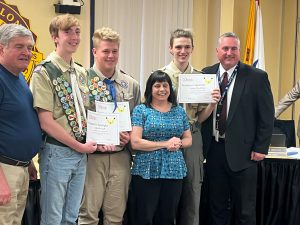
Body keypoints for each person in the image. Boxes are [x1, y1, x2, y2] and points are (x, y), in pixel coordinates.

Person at [29, 14, 97, 225]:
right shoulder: (44, 72)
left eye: (77, 32)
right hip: (57, 152)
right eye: (67, 32)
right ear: (55, 37)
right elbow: (46, 121)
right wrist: (79, 145)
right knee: (53, 217)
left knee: (71, 216)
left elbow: (88, 112)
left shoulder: (81, 72)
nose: (74, 37)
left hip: (80, 153)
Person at [201, 32, 274, 225]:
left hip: (244, 153)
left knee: (245, 210)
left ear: (239, 51)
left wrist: (261, 148)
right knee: (216, 207)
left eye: (234, 48)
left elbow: (266, 115)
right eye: (225, 48)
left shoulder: (256, 76)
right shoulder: (206, 74)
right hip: (214, 150)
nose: (229, 53)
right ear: (217, 51)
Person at [78, 27, 141, 225]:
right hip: (91, 158)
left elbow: (138, 119)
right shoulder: (81, 81)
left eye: (114, 51)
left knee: (115, 217)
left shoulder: (130, 84)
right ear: (95, 52)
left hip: (120, 156)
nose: (111, 55)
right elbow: (75, 119)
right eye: (106, 51)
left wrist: (129, 136)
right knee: (88, 216)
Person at [161, 28, 219, 225]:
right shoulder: (160, 77)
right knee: (168, 191)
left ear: (193, 48)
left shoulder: (201, 78)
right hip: (168, 138)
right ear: (170, 49)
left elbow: (201, 117)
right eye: (178, 47)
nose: (182, 51)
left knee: (192, 190)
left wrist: (212, 104)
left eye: (187, 47)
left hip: (193, 136)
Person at [129, 70, 192, 225]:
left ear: (170, 88)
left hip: (174, 170)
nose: (162, 89)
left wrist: (178, 143)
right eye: (157, 85)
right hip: (146, 169)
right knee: (144, 216)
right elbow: (135, 142)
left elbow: (188, 139)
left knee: (168, 217)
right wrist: (165, 144)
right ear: (150, 88)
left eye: (165, 85)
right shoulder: (141, 110)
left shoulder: (179, 111)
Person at [0, 24, 42, 225]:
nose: (27, 52)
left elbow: (15, 123)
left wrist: (28, 162)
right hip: (4, 171)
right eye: (19, 46)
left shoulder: (19, 80)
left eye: (29, 47)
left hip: (21, 168)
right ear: (1, 49)